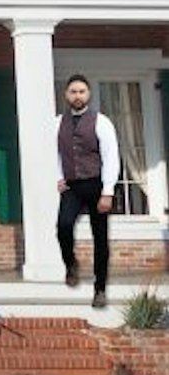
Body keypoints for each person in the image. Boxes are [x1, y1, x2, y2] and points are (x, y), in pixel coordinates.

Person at [56, 73, 120, 309]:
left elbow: (111, 156)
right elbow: (55, 153)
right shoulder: (57, 123)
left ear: (88, 94)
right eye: (73, 92)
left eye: (81, 92)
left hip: (96, 184)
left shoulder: (101, 121)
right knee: (63, 226)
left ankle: (100, 288)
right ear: (66, 95)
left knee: (100, 238)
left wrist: (108, 191)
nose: (77, 96)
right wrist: (58, 177)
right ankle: (70, 264)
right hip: (72, 186)